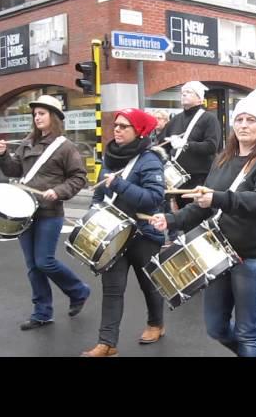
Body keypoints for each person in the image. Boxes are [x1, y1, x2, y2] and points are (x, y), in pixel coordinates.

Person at [152, 93, 256, 357]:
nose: (244, 125)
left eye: (251, 120)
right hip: (218, 253)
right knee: (215, 328)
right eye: (239, 119)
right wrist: (170, 219)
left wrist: (217, 198)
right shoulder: (223, 159)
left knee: (247, 331)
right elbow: (203, 204)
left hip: (254, 255)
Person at [0, 95, 90, 331]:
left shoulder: (66, 147)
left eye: (42, 114)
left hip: (50, 212)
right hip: (25, 212)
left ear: (54, 117)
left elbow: (79, 177)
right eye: (35, 114)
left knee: (45, 261)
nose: (37, 117)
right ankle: (42, 313)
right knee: (32, 266)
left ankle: (79, 290)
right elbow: (15, 170)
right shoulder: (27, 142)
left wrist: (58, 191)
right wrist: (3, 155)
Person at [81, 108, 166, 357]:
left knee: (148, 285)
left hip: (143, 235)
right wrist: (93, 216)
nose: (116, 130)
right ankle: (107, 343)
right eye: (116, 125)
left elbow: (153, 199)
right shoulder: (109, 157)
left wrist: (119, 184)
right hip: (113, 235)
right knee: (112, 289)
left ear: (138, 132)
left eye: (124, 126)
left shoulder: (149, 160)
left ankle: (156, 323)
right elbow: (98, 194)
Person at [162, 81, 222, 211]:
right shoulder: (175, 119)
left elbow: (212, 146)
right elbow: (163, 145)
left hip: (199, 177)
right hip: (176, 178)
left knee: (195, 213)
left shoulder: (209, 119)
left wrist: (187, 145)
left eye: (188, 92)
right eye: (182, 93)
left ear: (200, 98)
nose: (184, 95)